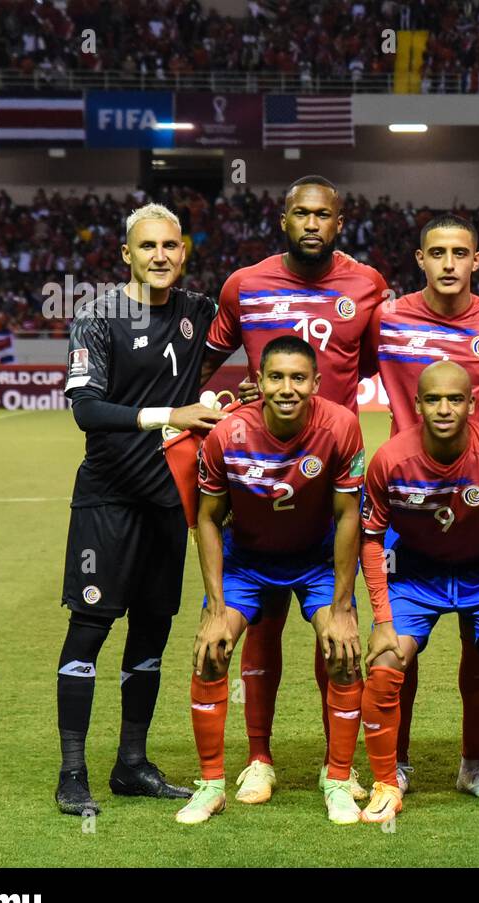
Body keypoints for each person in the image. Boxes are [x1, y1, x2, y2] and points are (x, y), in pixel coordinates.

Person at [201, 175, 386, 807]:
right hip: (258, 472)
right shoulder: (244, 284)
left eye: (324, 215)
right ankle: (258, 759)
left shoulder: (367, 286)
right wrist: (203, 406)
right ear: (284, 219)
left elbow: (383, 365)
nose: (312, 223)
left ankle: (339, 768)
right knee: (261, 628)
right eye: (301, 213)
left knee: (334, 626)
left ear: (341, 222)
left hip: (330, 476)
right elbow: (200, 360)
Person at [55, 203, 224, 815]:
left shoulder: (199, 311)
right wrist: (168, 416)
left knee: (151, 635)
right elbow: (87, 410)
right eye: (147, 246)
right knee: (89, 629)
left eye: (171, 246)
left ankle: (131, 763)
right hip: (108, 500)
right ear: (126, 254)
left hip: (167, 506)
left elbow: (216, 360)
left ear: (184, 251)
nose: (160, 256)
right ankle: (73, 771)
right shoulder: (98, 316)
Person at [177, 336, 366, 825]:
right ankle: (212, 783)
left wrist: (344, 608)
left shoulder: (341, 426)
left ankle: (338, 777)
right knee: (211, 649)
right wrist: (216, 606)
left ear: (316, 384)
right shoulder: (228, 434)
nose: (287, 388)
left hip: (316, 559)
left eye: (298, 378)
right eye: (276, 377)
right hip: (249, 563)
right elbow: (208, 518)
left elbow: (350, 516)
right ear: (258, 382)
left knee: (344, 653)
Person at [358, 361, 479, 825]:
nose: (444, 408)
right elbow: (369, 538)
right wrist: (382, 619)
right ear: (417, 404)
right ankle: (386, 782)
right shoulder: (390, 459)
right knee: (386, 661)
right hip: (415, 576)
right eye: (433, 399)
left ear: (473, 404)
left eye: (454, 399)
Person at [375, 213, 479, 800]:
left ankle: (472, 763)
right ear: (420, 259)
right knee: (396, 648)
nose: (448, 263)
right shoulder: (386, 319)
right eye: (436, 252)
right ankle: (399, 762)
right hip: (407, 496)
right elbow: (331, 369)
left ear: (476, 261)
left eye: (459, 253)